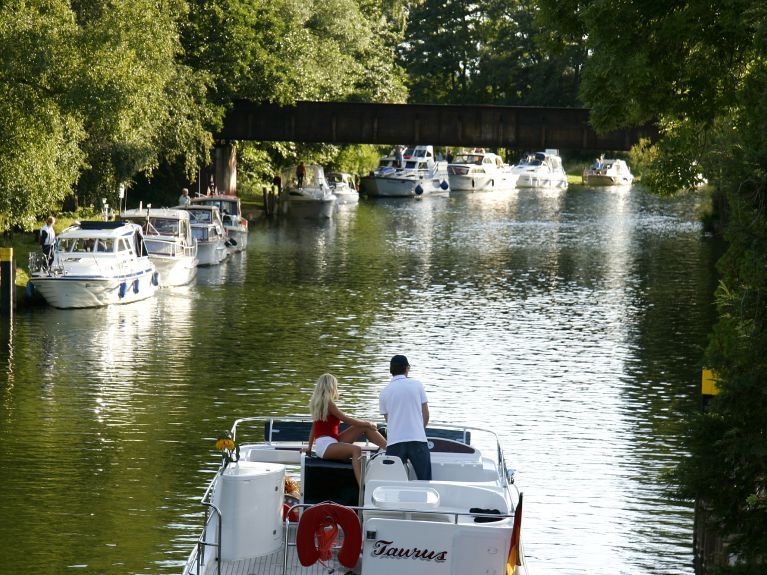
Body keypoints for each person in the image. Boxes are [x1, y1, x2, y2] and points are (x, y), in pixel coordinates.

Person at [306, 373, 387, 484]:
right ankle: (362, 487)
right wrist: (368, 423)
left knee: (362, 427)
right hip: (326, 447)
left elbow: (313, 428)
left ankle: (388, 448)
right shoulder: (330, 404)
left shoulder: (319, 404)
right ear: (331, 386)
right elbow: (346, 419)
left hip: (330, 443)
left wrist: (309, 448)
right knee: (357, 450)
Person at [379, 355, 432, 480]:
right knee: (425, 480)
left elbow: (389, 421)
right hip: (417, 440)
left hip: (395, 443)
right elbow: (426, 414)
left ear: (391, 370)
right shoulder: (417, 385)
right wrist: (419, 429)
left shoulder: (384, 392)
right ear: (407, 368)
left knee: (390, 483)